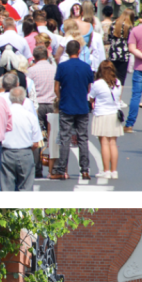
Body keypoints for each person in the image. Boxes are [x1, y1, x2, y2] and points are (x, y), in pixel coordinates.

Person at [51, 40, 95, 180]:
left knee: (65, 138)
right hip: (81, 106)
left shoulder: (62, 67)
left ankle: (62, 169)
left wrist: (60, 97)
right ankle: (85, 169)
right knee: (83, 138)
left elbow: (56, 88)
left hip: (66, 105)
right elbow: (89, 88)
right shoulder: (86, 67)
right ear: (79, 51)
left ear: (67, 52)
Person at [88, 61, 123, 180]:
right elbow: (119, 98)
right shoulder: (117, 82)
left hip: (101, 114)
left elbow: (91, 98)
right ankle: (114, 171)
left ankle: (106, 170)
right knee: (113, 143)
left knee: (104, 142)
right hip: (114, 114)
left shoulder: (98, 84)